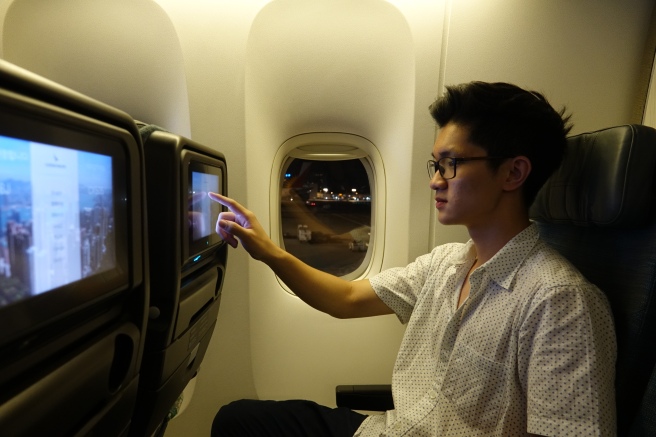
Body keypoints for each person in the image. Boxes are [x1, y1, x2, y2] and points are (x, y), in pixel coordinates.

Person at [209, 82, 617, 436]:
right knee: (237, 421)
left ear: (513, 173)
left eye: (451, 165)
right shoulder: (445, 264)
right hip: (393, 429)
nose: (435, 180)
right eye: (435, 164)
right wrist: (269, 252)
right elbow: (345, 299)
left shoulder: (559, 303)